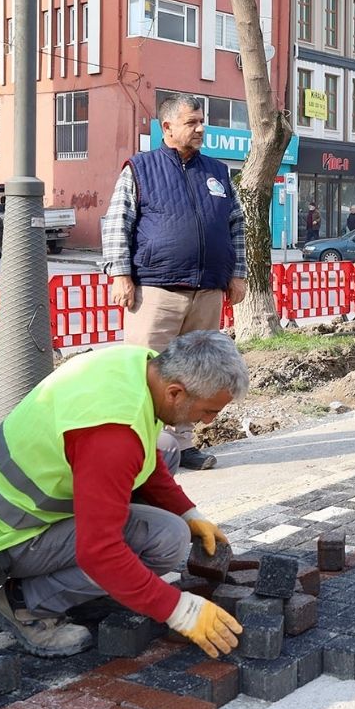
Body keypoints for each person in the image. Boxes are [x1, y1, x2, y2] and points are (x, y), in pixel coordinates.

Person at [0, 331, 248, 659]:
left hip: (18, 507)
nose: (208, 421)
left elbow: (146, 458)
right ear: (176, 392)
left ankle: (88, 585)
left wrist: (189, 513)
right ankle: (25, 604)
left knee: (166, 449)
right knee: (167, 539)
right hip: (9, 535)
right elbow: (100, 552)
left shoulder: (142, 367)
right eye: (208, 410)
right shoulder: (112, 436)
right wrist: (178, 609)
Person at [103, 93, 247, 470]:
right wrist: (119, 274)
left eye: (202, 121)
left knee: (196, 374)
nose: (200, 128)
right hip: (155, 291)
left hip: (207, 292)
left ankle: (182, 446)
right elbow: (118, 223)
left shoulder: (217, 172)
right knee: (144, 371)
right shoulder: (140, 168)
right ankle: (140, 449)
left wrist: (238, 273)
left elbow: (236, 225)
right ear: (167, 127)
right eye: (191, 122)